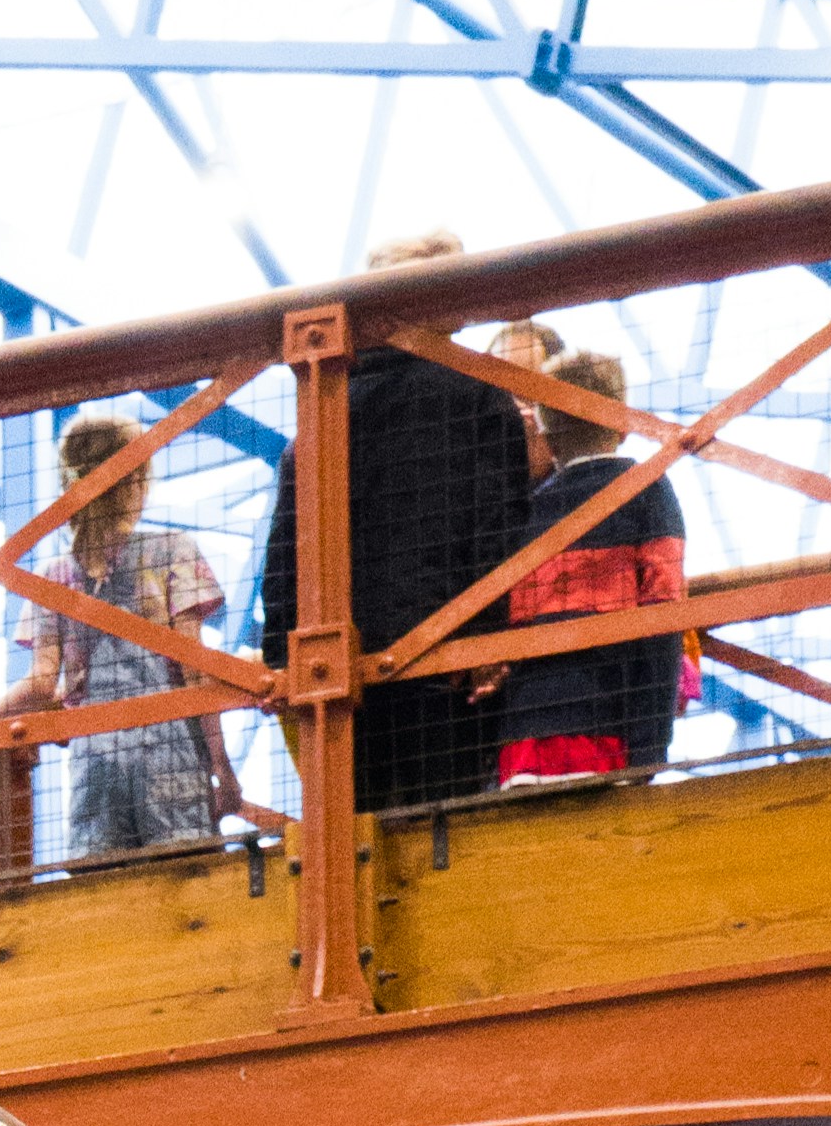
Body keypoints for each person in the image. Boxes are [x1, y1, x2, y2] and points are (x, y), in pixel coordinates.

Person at [247, 230, 545, 813]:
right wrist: (487, 637)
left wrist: (280, 665)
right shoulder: (479, 397)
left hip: (337, 675)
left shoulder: (318, 418)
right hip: (440, 661)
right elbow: (497, 530)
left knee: (354, 836)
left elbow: (284, 554)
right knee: (447, 831)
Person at [34, 400, 235, 861]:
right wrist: (221, 765)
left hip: (93, 760)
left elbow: (40, 682)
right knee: (189, 880)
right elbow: (193, 667)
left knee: (104, 897)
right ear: (131, 482)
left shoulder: (53, 574)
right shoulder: (173, 551)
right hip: (168, 750)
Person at [492, 333, 688, 789]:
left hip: (522, 742)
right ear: (623, 426)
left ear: (544, 431)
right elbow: (664, 616)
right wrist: (650, 747)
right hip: (607, 733)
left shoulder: (523, 512)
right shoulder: (648, 491)